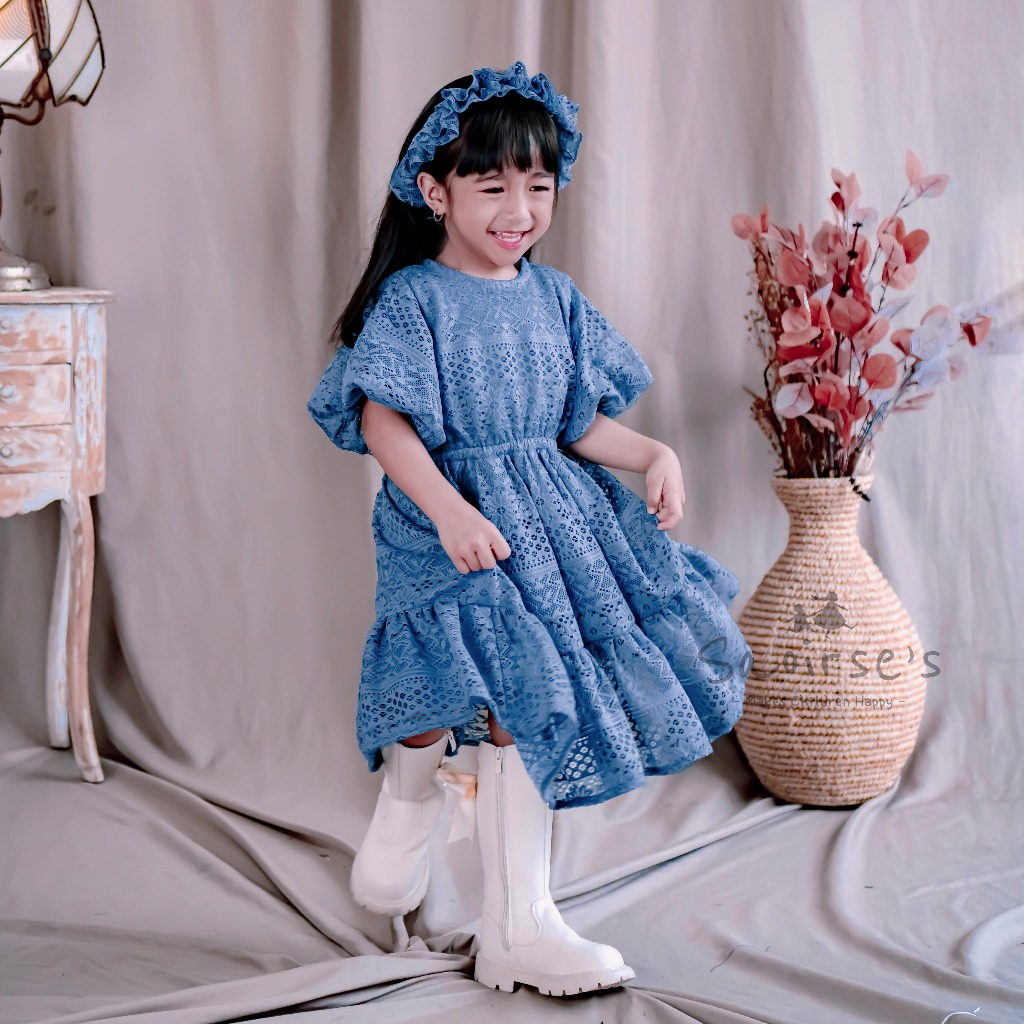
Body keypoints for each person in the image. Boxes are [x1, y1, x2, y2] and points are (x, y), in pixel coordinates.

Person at [308, 60, 752, 997]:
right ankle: (409, 793)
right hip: (443, 520)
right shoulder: (414, 300)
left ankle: (519, 925)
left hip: (547, 526)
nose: (519, 209)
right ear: (436, 191)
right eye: (492, 186)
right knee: (435, 691)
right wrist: (449, 509)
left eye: (538, 186)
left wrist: (652, 453)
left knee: (529, 691)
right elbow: (384, 422)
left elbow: (576, 424)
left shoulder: (554, 298)